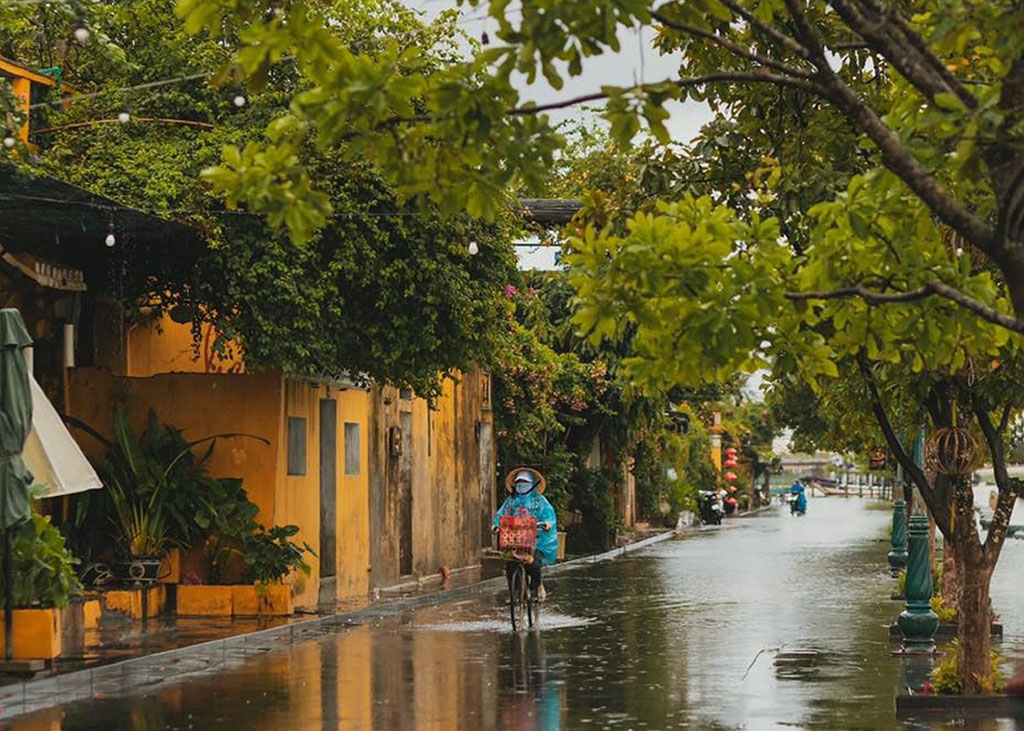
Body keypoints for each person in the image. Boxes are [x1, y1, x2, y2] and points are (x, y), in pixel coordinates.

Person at [492, 468, 557, 601]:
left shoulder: (540, 501)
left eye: (525, 483)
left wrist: (547, 524)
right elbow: (501, 514)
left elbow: (549, 516)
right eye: (519, 483)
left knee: (533, 563)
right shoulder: (511, 501)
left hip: (538, 540)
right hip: (515, 538)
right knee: (510, 564)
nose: (521, 486)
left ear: (532, 484)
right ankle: (515, 592)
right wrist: (495, 525)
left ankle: (538, 585)